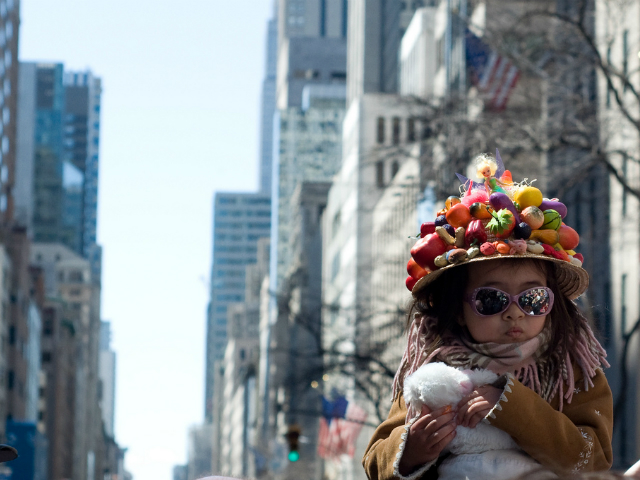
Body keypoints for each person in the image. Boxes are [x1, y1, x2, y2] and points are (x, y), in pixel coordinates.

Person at [363, 153, 613, 479]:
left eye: (533, 299)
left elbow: (593, 458)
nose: (513, 314)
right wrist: (411, 450)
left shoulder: (571, 367)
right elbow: (376, 458)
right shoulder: (433, 366)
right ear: (460, 311)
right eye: (491, 299)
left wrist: (511, 405)